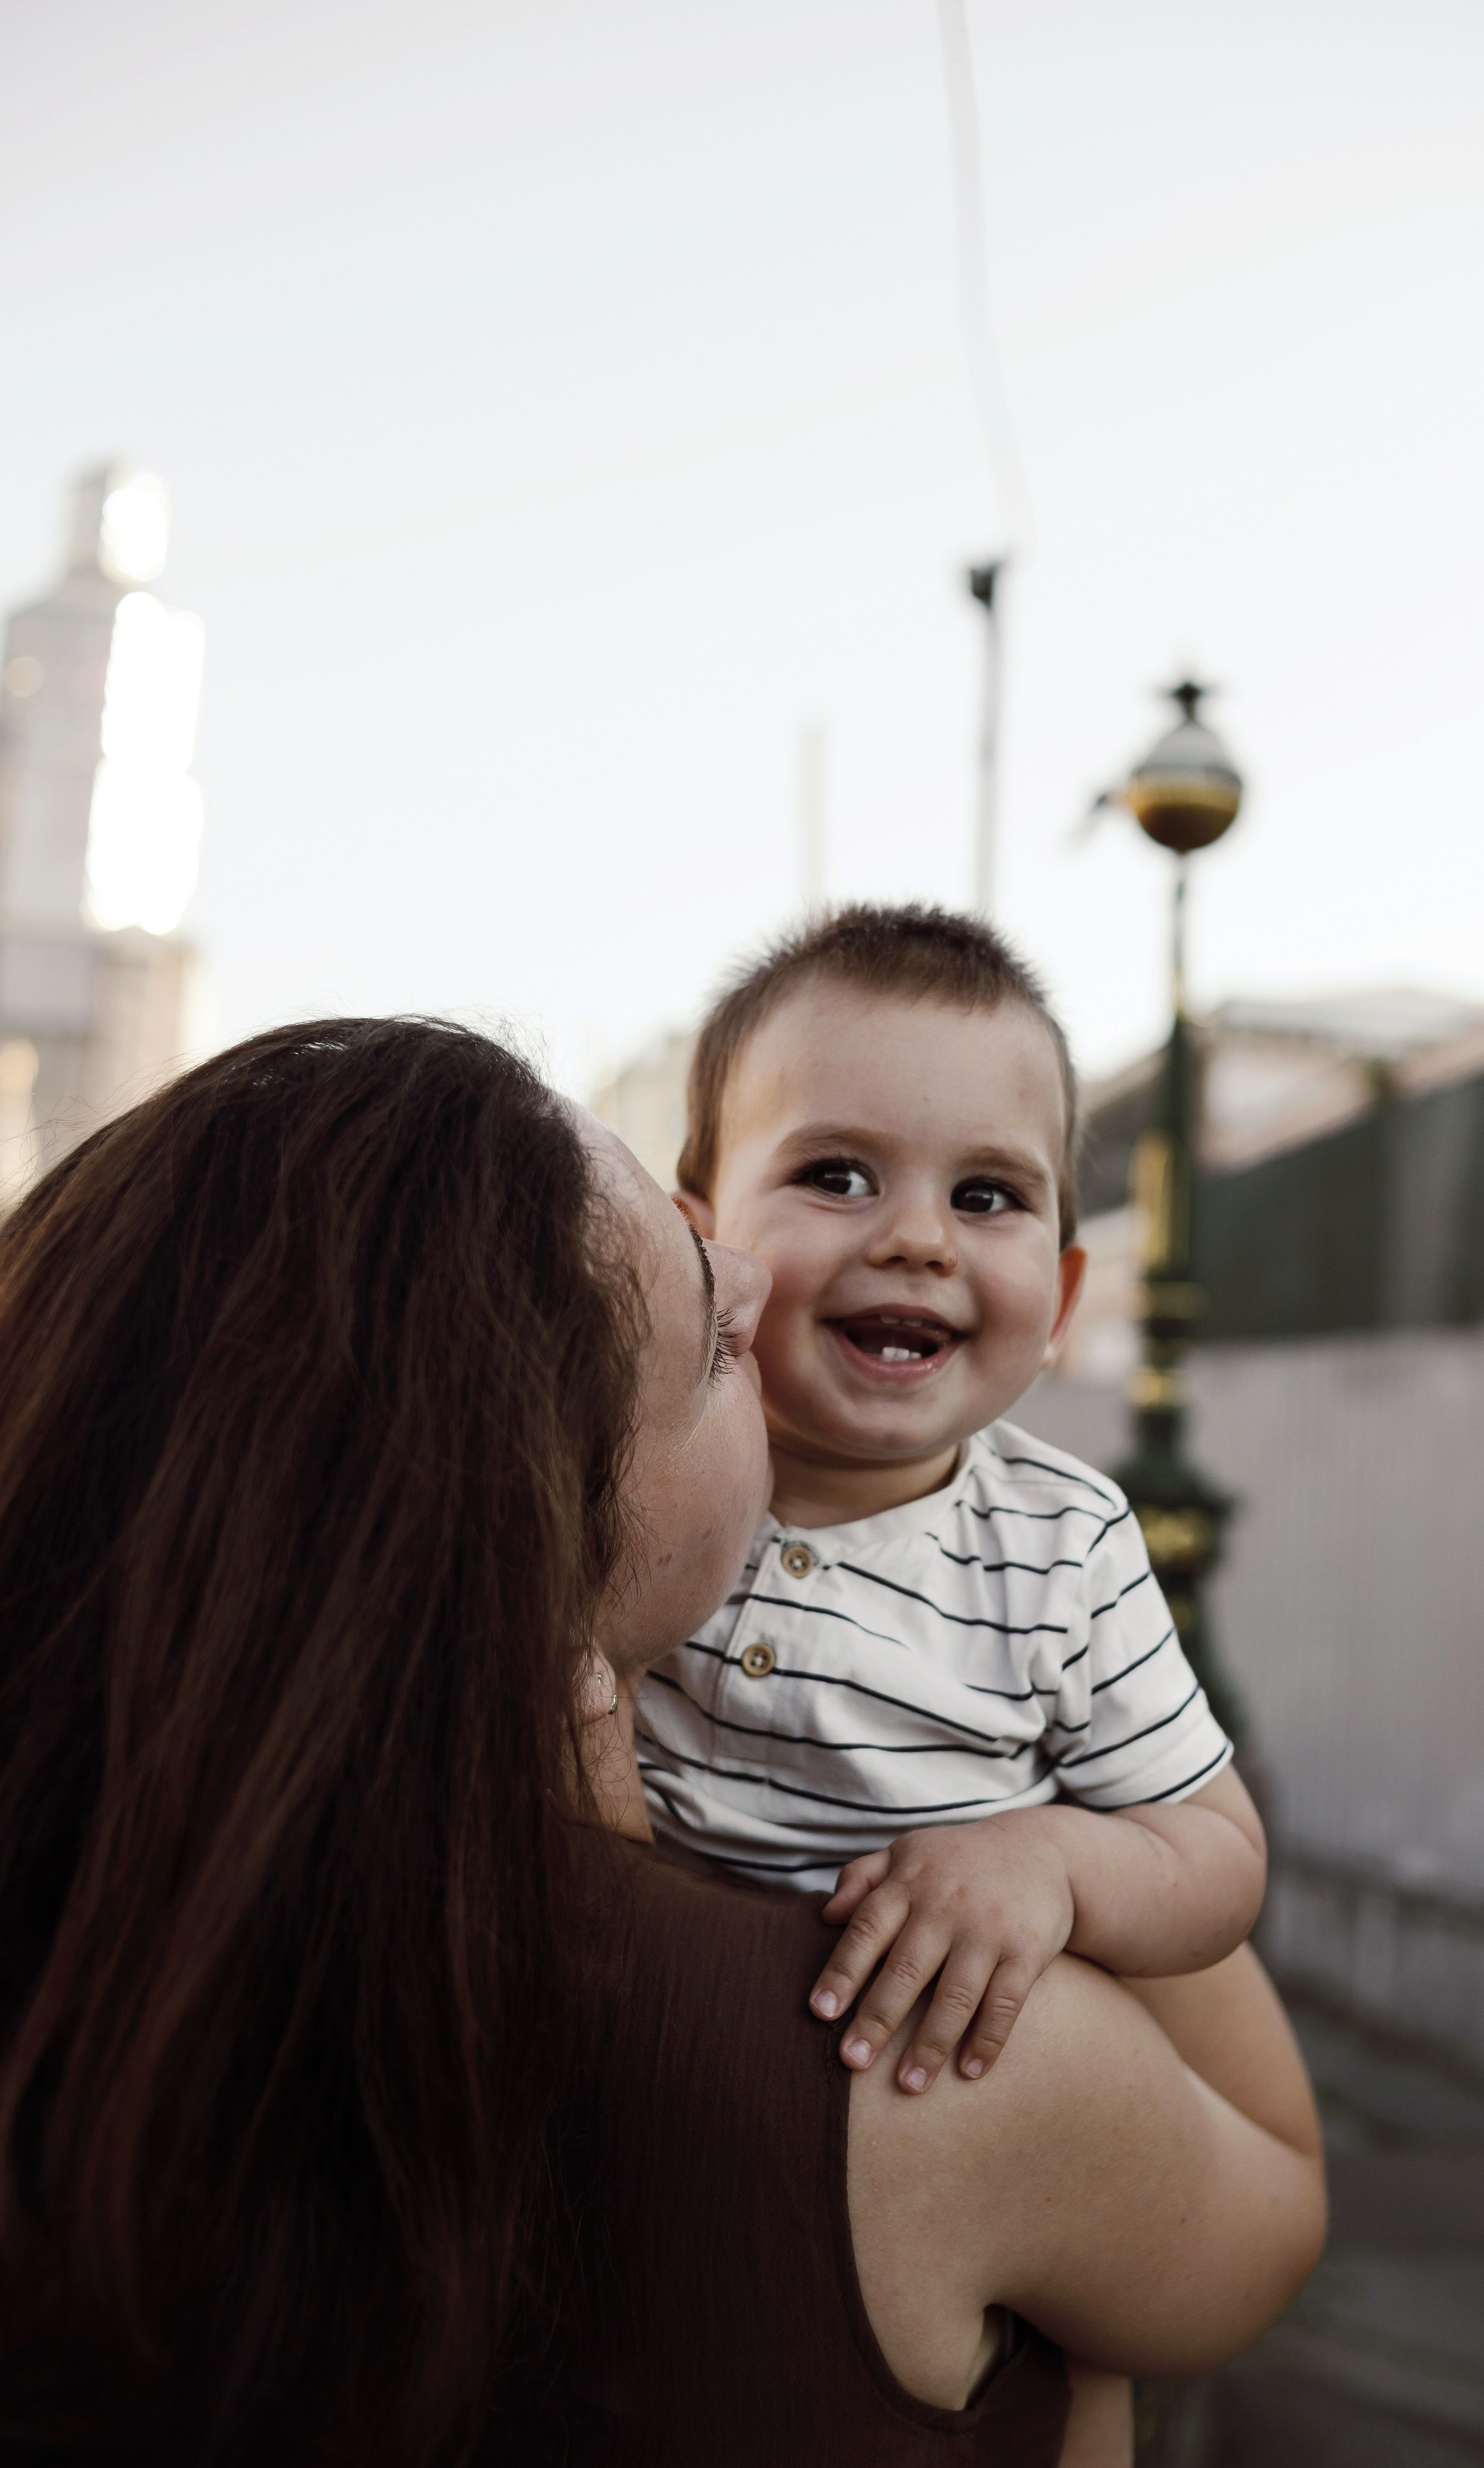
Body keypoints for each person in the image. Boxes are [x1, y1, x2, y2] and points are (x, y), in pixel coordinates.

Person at [0, 1017, 1323, 2467]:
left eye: (984, 1194)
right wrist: (1085, 1812)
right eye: (711, 1340)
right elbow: (1268, 2217)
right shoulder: (926, 2064)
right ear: (543, 1604)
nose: (766, 1276)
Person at [642, 904, 1265, 2100]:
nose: (920, 1238)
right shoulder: (622, 1466)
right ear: (698, 1247)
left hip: (920, 2113)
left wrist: (1052, 1866)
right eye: (837, 1174)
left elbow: (1219, 1857)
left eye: (987, 1196)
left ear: (1065, 1299)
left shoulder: (1061, 1546)